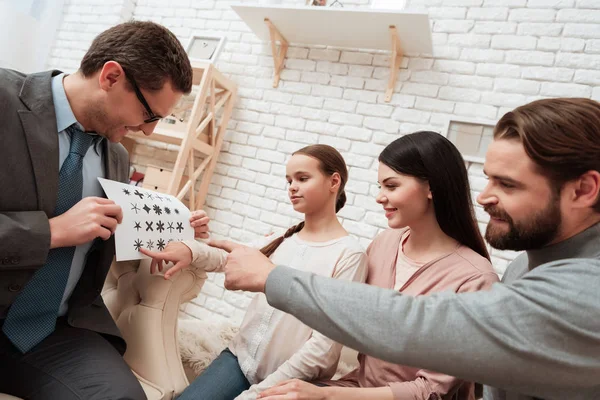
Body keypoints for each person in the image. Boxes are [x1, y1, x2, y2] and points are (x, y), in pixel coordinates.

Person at [216, 98, 600, 400]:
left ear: (584, 190)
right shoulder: (520, 267)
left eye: (509, 185)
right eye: (486, 179)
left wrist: (273, 279)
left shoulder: (582, 289)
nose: (483, 197)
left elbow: (415, 325)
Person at [0, 21, 193, 399]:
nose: (149, 131)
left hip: (52, 331)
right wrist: (51, 232)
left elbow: (106, 232)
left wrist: (177, 232)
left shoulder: (116, 156)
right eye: (149, 114)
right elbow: (65, 227)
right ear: (110, 76)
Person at [255, 132, 500, 400]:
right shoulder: (385, 243)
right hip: (358, 388)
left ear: (431, 187)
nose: (380, 197)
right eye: (379, 186)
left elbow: (430, 391)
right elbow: (344, 313)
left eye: (391, 186)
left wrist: (326, 396)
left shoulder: (476, 278)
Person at [142, 144, 368, 400]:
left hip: (291, 382)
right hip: (239, 360)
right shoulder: (284, 236)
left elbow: (324, 347)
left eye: (302, 178)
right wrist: (191, 250)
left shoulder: (350, 255)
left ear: (334, 181)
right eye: (289, 180)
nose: (292, 187)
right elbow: (229, 257)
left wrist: (257, 394)